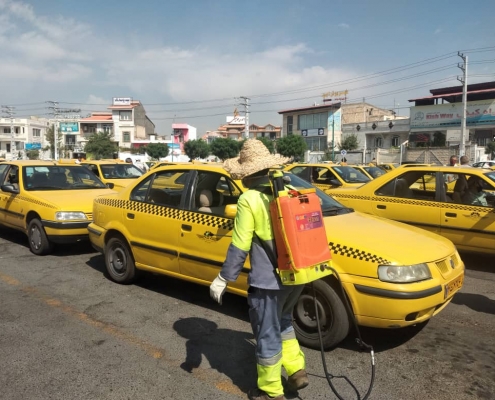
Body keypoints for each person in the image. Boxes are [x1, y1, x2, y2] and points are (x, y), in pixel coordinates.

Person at [209, 139, 308, 400]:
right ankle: (297, 370)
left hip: (269, 282)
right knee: (283, 322)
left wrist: (223, 278)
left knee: (266, 333)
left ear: (247, 174)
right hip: (298, 275)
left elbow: (240, 244)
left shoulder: (249, 199)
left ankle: (270, 390)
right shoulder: (289, 190)